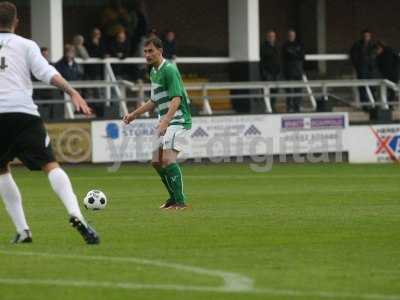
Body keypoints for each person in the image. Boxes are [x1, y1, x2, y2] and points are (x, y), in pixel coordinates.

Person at [0, 2, 99, 244]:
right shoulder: (26, 45)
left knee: (1, 170)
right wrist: (72, 92)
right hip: (24, 113)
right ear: (16, 22)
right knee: (50, 165)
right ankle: (76, 213)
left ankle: (23, 231)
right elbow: (47, 73)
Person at [123, 37, 191, 210]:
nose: (147, 54)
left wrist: (165, 122)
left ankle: (180, 202)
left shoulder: (169, 69)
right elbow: (153, 101)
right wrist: (133, 115)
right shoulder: (153, 72)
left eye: (150, 51)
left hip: (177, 119)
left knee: (168, 160)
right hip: (164, 121)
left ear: (160, 51)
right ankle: (173, 198)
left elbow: (176, 99)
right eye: (145, 52)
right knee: (156, 161)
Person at [350, 30, 376, 106]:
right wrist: (358, 66)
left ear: (370, 37)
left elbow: (375, 55)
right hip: (361, 68)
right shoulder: (357, 44)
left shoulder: (372, 45)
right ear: (362, 36)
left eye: (368, 36)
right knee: (362, 86)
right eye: (365, 36)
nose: (366, 38)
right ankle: (364, 104)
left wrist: (373, 65)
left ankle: (374, 103)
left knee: (372, 86)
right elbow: (353, 56)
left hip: (371, 69)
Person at [282, 29, 305, 113]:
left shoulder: (300, 44)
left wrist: (292, 53)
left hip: (298, 71)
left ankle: (297, 107)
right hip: (288, 72)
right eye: (290, 35)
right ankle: (289, 107)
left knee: (298, 90)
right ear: (288, 36)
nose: (291, 36)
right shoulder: (285, 45)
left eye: (292, 35)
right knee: (289, 91)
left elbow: (302, 56)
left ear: (295, 36)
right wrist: (295, 53)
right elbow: (285, 57)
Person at [260, 29, 280, 112]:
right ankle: (267, 107)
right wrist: (264, 73)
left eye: (273, 36)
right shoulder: (263, 47)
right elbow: (261, 61)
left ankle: (272, 105)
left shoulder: (277, 47)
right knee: (266, 91)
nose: (271, 38)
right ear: (267, 37)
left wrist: (279, 72)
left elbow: (280, 60)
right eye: (270, 36)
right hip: (267, 73)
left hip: (276, 73)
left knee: (275, 91)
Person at [375, 41, 400, 106]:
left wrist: (395, 68)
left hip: (392, 74)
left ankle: (390, 105)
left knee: (391, 90)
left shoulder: (390, 52)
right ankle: (388, 105)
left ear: (381, 48)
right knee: (388, 91)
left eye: (377, 49)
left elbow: (397, 60)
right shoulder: (379, 56)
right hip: (387, 75)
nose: (376, 51)